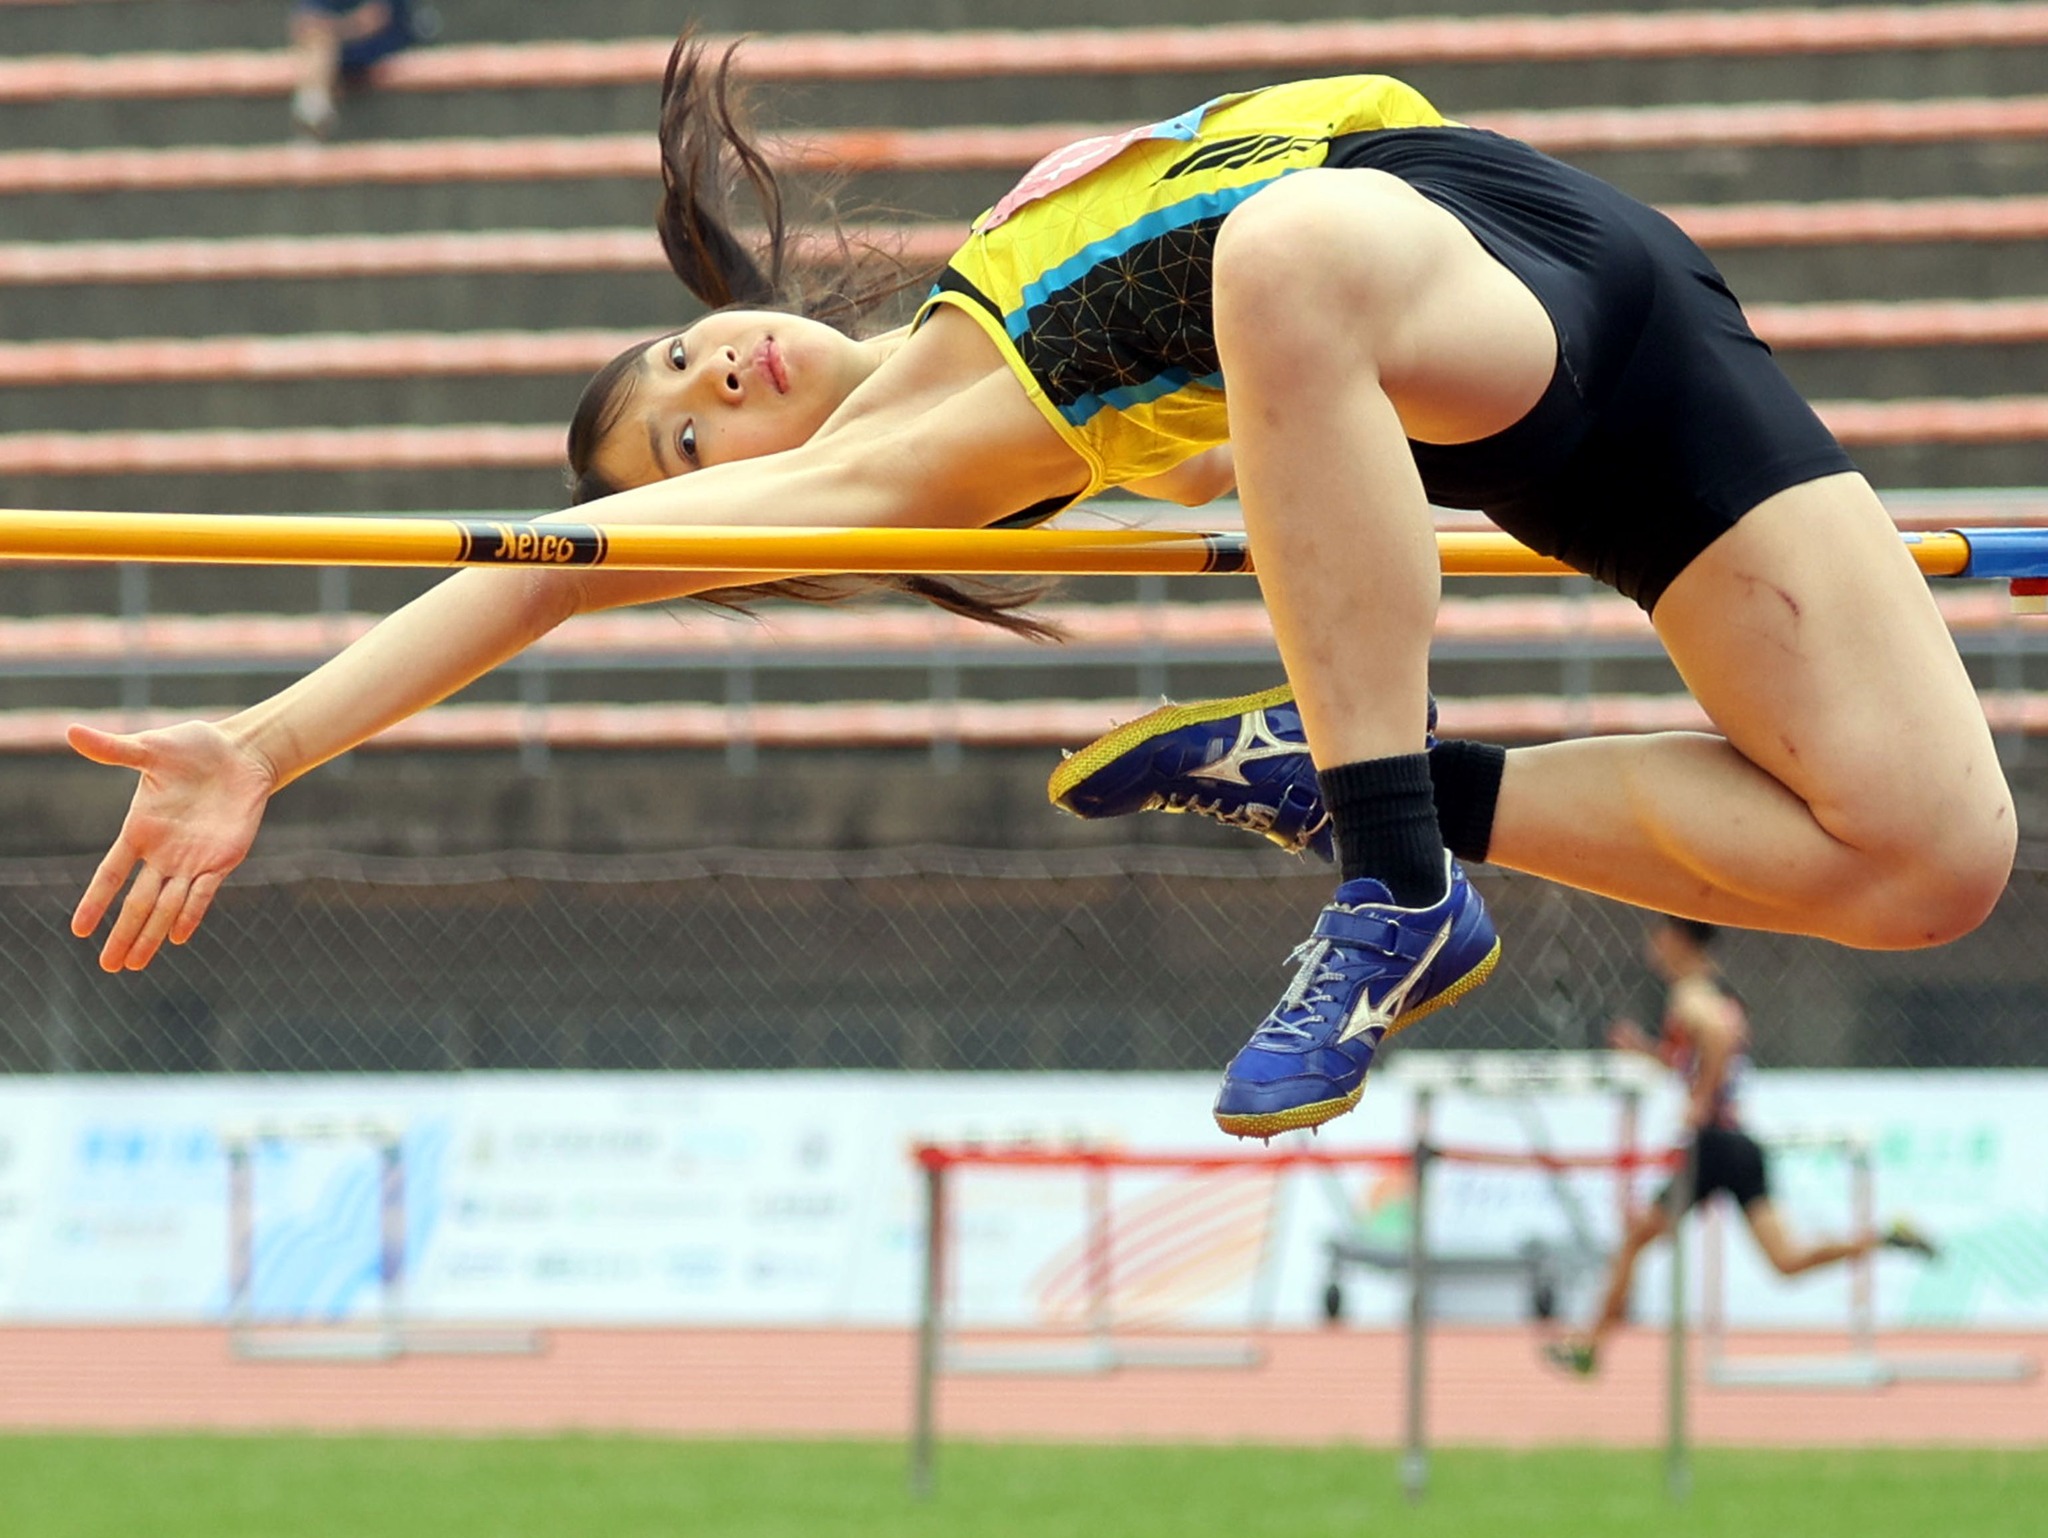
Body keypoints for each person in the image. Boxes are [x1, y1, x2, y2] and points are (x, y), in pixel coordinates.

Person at [69, 38, 2013, 1148]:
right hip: (1475, 355)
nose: (707, 381)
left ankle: (1343, 790)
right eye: (679, 447)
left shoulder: (1000, 315)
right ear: (736, 524)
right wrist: (264, 740)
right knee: (1922, 867)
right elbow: (543, 583)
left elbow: (1264, 394)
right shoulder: (908, 468)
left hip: (1529, 259)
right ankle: (1398, 849)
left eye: (674, 358)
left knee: (1285, 266)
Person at [1541, 915, 1938, 1377]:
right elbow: (1699, 1052)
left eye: (1660, 937)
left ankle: (1590, 1346)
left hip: (1712, 1144)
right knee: (1786, 1261)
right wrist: (1648, 1052)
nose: (1653, 947)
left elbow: (1716, 1036)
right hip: (1736, 1145)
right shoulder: (1719, 991)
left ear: (1679, 940)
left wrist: (1701, 1102)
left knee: (1635, 1240)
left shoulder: (1691, 993)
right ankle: (1885, 1237)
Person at [289, 0, 430, 141]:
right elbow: (303, 24)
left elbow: (375, 18)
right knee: (318, 44)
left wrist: (331, 30)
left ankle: (312, 111)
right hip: (340, 52)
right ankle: (312, 111)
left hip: (386, 43)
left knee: (321, 41)